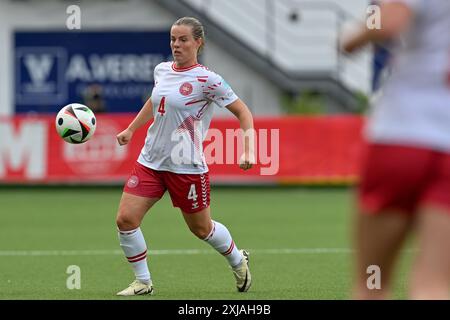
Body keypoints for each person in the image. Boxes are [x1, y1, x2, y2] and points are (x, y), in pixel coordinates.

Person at [114, 17, 255, 296]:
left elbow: (244, 112)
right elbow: (156, 101)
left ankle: (238, 261)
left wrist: (248, 148)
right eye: (173, 39)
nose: (176, 45)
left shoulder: (208, 80)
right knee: (125, 220)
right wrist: (132, 128)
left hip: (186, 166)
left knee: (202, 230)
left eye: (183, 40)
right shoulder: (162, 70)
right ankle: (143, 282)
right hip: (150, 161)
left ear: (198, 42)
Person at [341, 0, 450, 299]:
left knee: (371, 282)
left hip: (403, 135)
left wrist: (349, 38)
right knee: (434, 285)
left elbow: (388, 22)